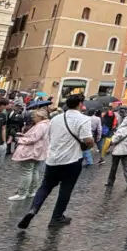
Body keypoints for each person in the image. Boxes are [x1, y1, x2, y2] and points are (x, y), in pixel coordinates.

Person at [18, 94, 95, 229]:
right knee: (66, 189)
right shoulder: (84, 119)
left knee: (45, 186)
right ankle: (57, 217)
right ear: (80, 104)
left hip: (53, 159)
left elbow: (50, 136)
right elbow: (88, 140)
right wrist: (88, 145)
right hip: (72, 160)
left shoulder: (55, 119)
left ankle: (33, 209)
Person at [8, 109, 50, 201]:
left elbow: (33, 139)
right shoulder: (46, 124)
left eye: (34, 116)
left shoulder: (41, 126)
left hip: (31, 152)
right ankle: (31, 191)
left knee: (26, 172)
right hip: (38, 151)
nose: (32, 118)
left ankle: (22, 193)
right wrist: (24, 135)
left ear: (41, 117)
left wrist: (19, 140)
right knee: (34, 171)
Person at [105, 114, 127, 188]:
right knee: (126, 166)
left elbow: (114, 140)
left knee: (114, 167)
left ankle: (110, 182)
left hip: (118, 151)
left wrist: (113, 137)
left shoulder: (121, 129)